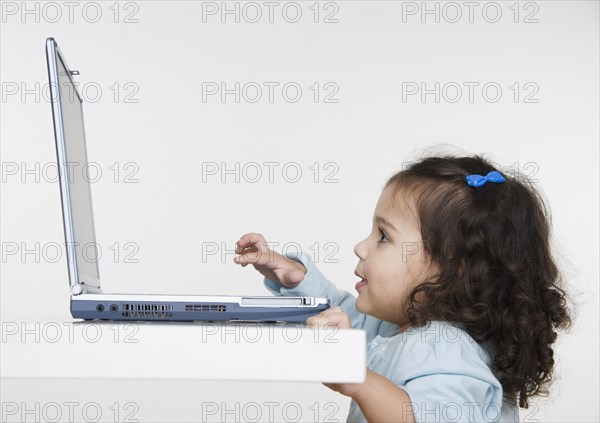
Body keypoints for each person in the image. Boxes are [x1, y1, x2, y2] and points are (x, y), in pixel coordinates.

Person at [233, 154, 572, 423]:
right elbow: (345, 317)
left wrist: (360, 382)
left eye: (383, 236)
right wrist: (297, 278)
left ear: (452, 269)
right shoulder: (396, 327)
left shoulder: (449, 351)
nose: (360, 247)